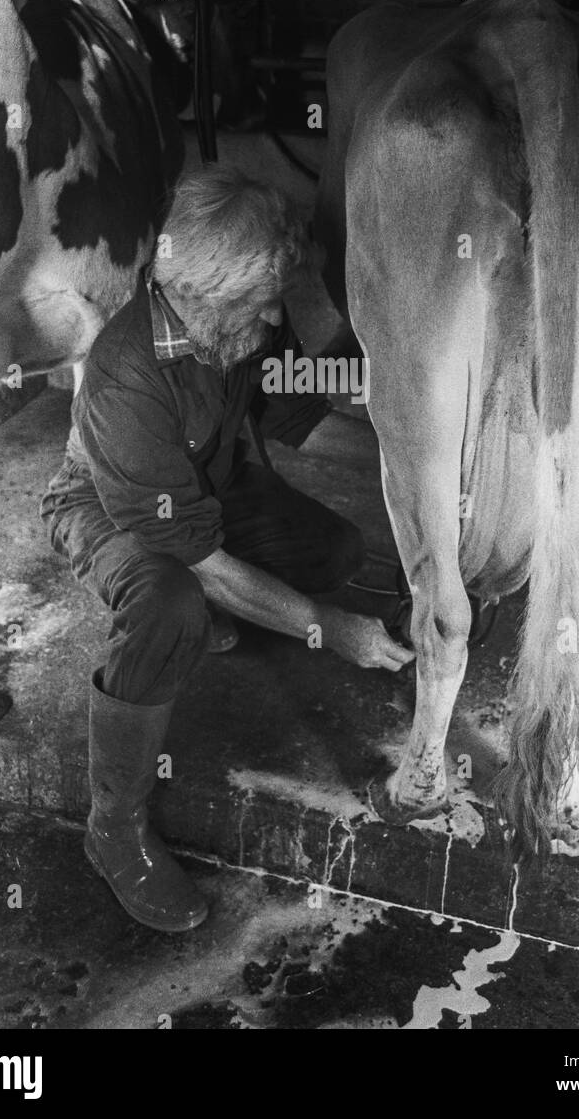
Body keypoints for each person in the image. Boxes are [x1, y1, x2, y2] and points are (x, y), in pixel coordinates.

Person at [40, 166, 413, 933]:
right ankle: (113, 830)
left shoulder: (231, 322)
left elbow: (281, 406)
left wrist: (353, 343)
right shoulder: (123, 378)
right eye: (267, 301)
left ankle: (239, 610)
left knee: (336, 550)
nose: (276, 314)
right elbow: (198, 557)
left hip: (207, 485)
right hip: (110, 509)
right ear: (211, 301)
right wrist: (325, 627)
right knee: (173, 602)